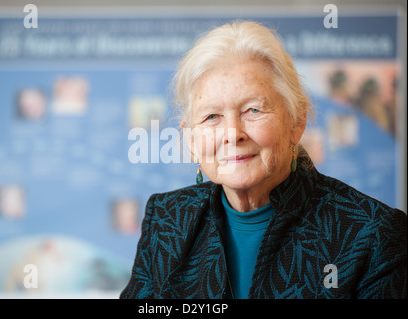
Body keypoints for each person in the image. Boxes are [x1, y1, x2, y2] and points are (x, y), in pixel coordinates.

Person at [120, 21, 407, 299]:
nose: (233, 134)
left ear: (297, 121)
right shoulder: (167, 219)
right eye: (212, 117)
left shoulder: (374, 234)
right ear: (191, 139)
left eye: (253, 110)